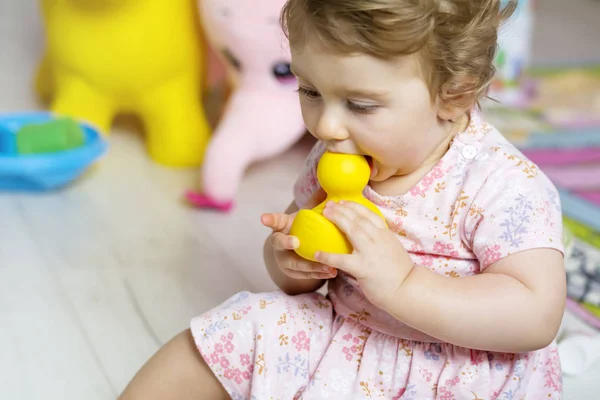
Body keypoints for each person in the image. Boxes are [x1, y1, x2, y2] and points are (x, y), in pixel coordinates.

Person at [119, 0, 567, 398]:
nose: (327, 125)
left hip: (459, 373)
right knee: (239, 326)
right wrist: (292, 261)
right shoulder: (338, 153)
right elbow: (300, 267)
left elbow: (536, 315)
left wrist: (405, 284)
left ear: (454, 94)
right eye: (310, 91)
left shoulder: (502, 184)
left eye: (360, 104)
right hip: (348, 337)